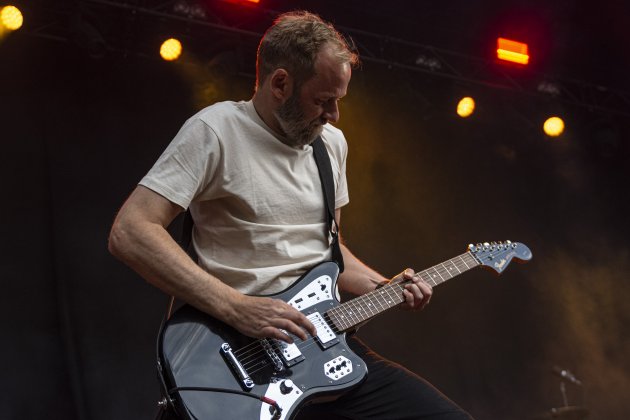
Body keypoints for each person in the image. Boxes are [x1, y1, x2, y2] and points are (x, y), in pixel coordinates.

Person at [108, 10, 472, 420]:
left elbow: (331, 251)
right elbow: (131, 231)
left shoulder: (330, 144)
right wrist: (235, 307)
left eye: (339, 100)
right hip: (235, 356)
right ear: (280, 83)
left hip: (323, 346)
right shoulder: (215, 131)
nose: (334, 114)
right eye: (323, 100)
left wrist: (384, 285)